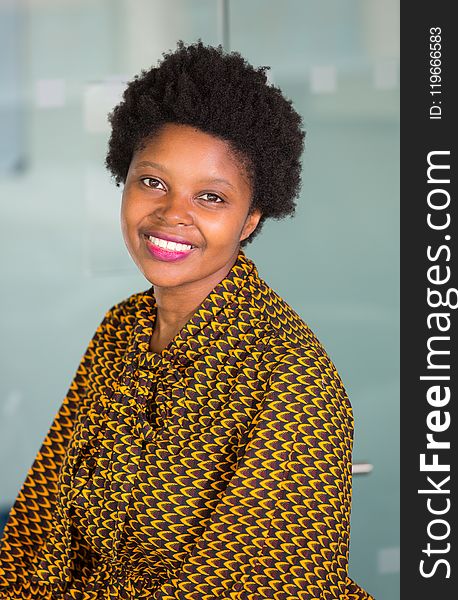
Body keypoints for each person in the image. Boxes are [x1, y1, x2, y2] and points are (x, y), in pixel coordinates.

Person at [0, 40, 373, 600]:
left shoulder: (290, 379)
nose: (172, 215)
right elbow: (42, 522)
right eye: (152, 182)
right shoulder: (120, 329)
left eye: (211, 197)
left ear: (251, 219)